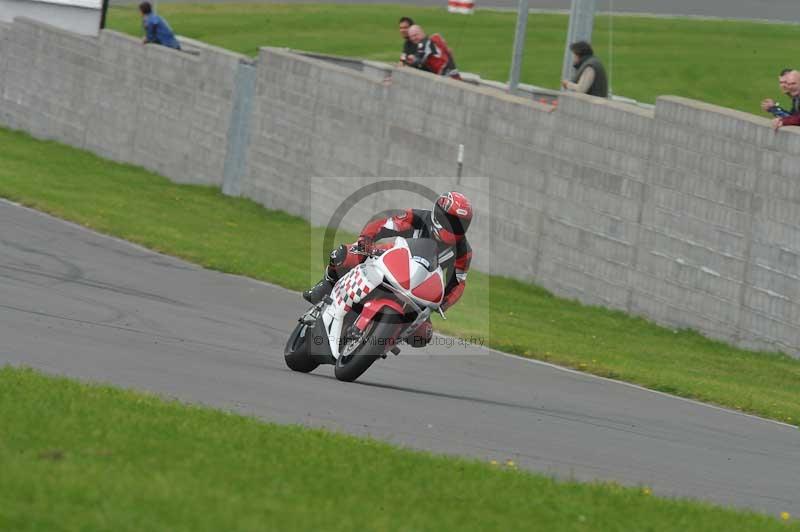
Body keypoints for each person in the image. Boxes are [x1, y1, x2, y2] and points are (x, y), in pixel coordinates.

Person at [303, 192, 473, 347]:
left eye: (460, 224)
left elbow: (458, 282)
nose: (453, 227)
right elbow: (386, 224)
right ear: (438, 214)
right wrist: (366, 238)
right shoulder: (418, 217)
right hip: (393, 259)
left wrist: (444, 302)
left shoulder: (464, 251)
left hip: (419, 288)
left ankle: (382, 341)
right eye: (450, 221)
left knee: (423, 335)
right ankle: (326, 284)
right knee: (343, 254)